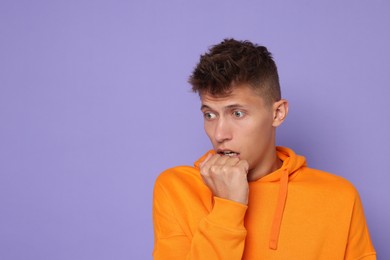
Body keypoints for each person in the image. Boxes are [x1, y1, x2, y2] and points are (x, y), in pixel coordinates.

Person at [152, 39, 376, 259]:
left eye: (237, 113)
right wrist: (228, 208)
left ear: (277, 113)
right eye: (209, 115)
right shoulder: (179, 188)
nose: (220, 134)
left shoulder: (339, 198)